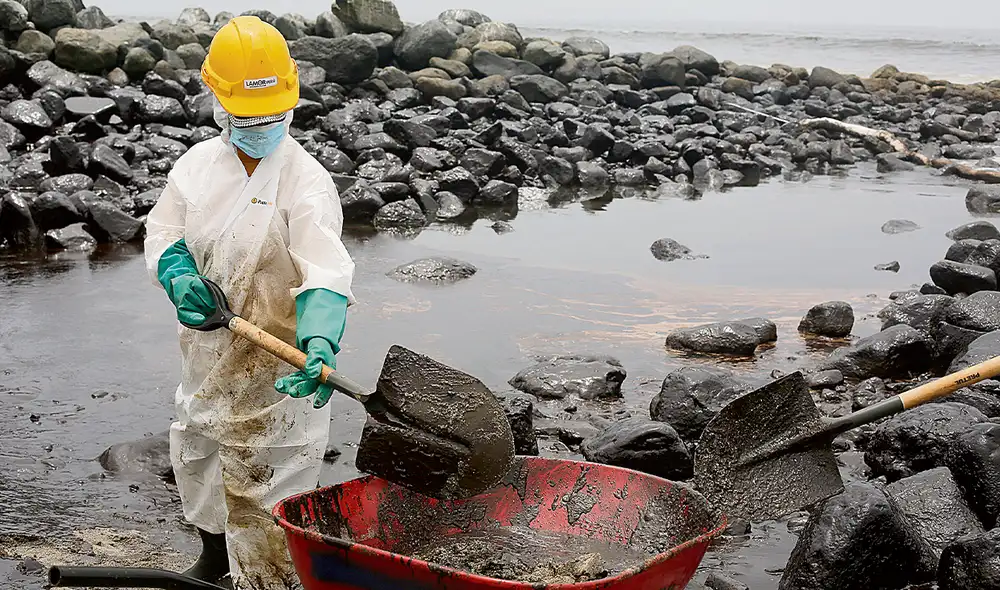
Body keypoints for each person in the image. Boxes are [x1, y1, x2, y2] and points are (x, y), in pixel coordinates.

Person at [143, 15, 355, 590]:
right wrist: (178, 273)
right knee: (199, 457)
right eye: (248, 116)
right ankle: (213, 563)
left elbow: (326, 266)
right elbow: (164, 232)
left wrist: (317, 336)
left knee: (270, 491)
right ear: (218, 100)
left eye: (271, 117)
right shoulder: (196, 168)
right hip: (209, 350)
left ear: (290, 104)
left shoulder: (304, 182)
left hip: (277, 363)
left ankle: (268, 582)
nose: (260, 126)